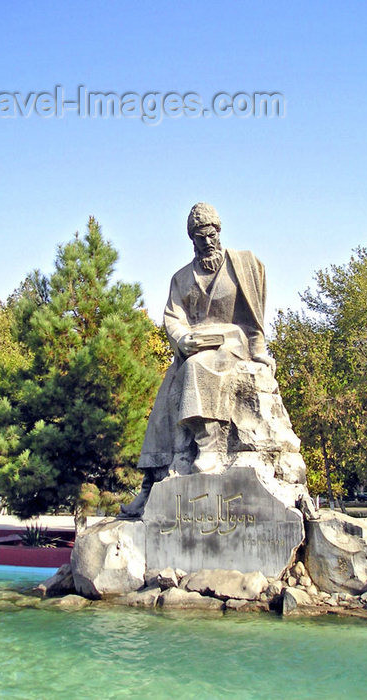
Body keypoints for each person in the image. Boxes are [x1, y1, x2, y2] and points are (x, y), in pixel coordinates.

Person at [120, 202, 276, 518]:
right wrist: (181, 338)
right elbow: (172, 317)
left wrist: (259, 351)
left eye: (212, 234)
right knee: (166, 396)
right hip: (194, 346)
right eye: (200, 237)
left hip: (231, 343)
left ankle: (209, 447)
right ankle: (153, 481)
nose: (208, 241)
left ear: (219, 231)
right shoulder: (181, 278)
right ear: (191, 239)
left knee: (196, 367)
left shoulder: (243, 264)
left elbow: (256, 315)